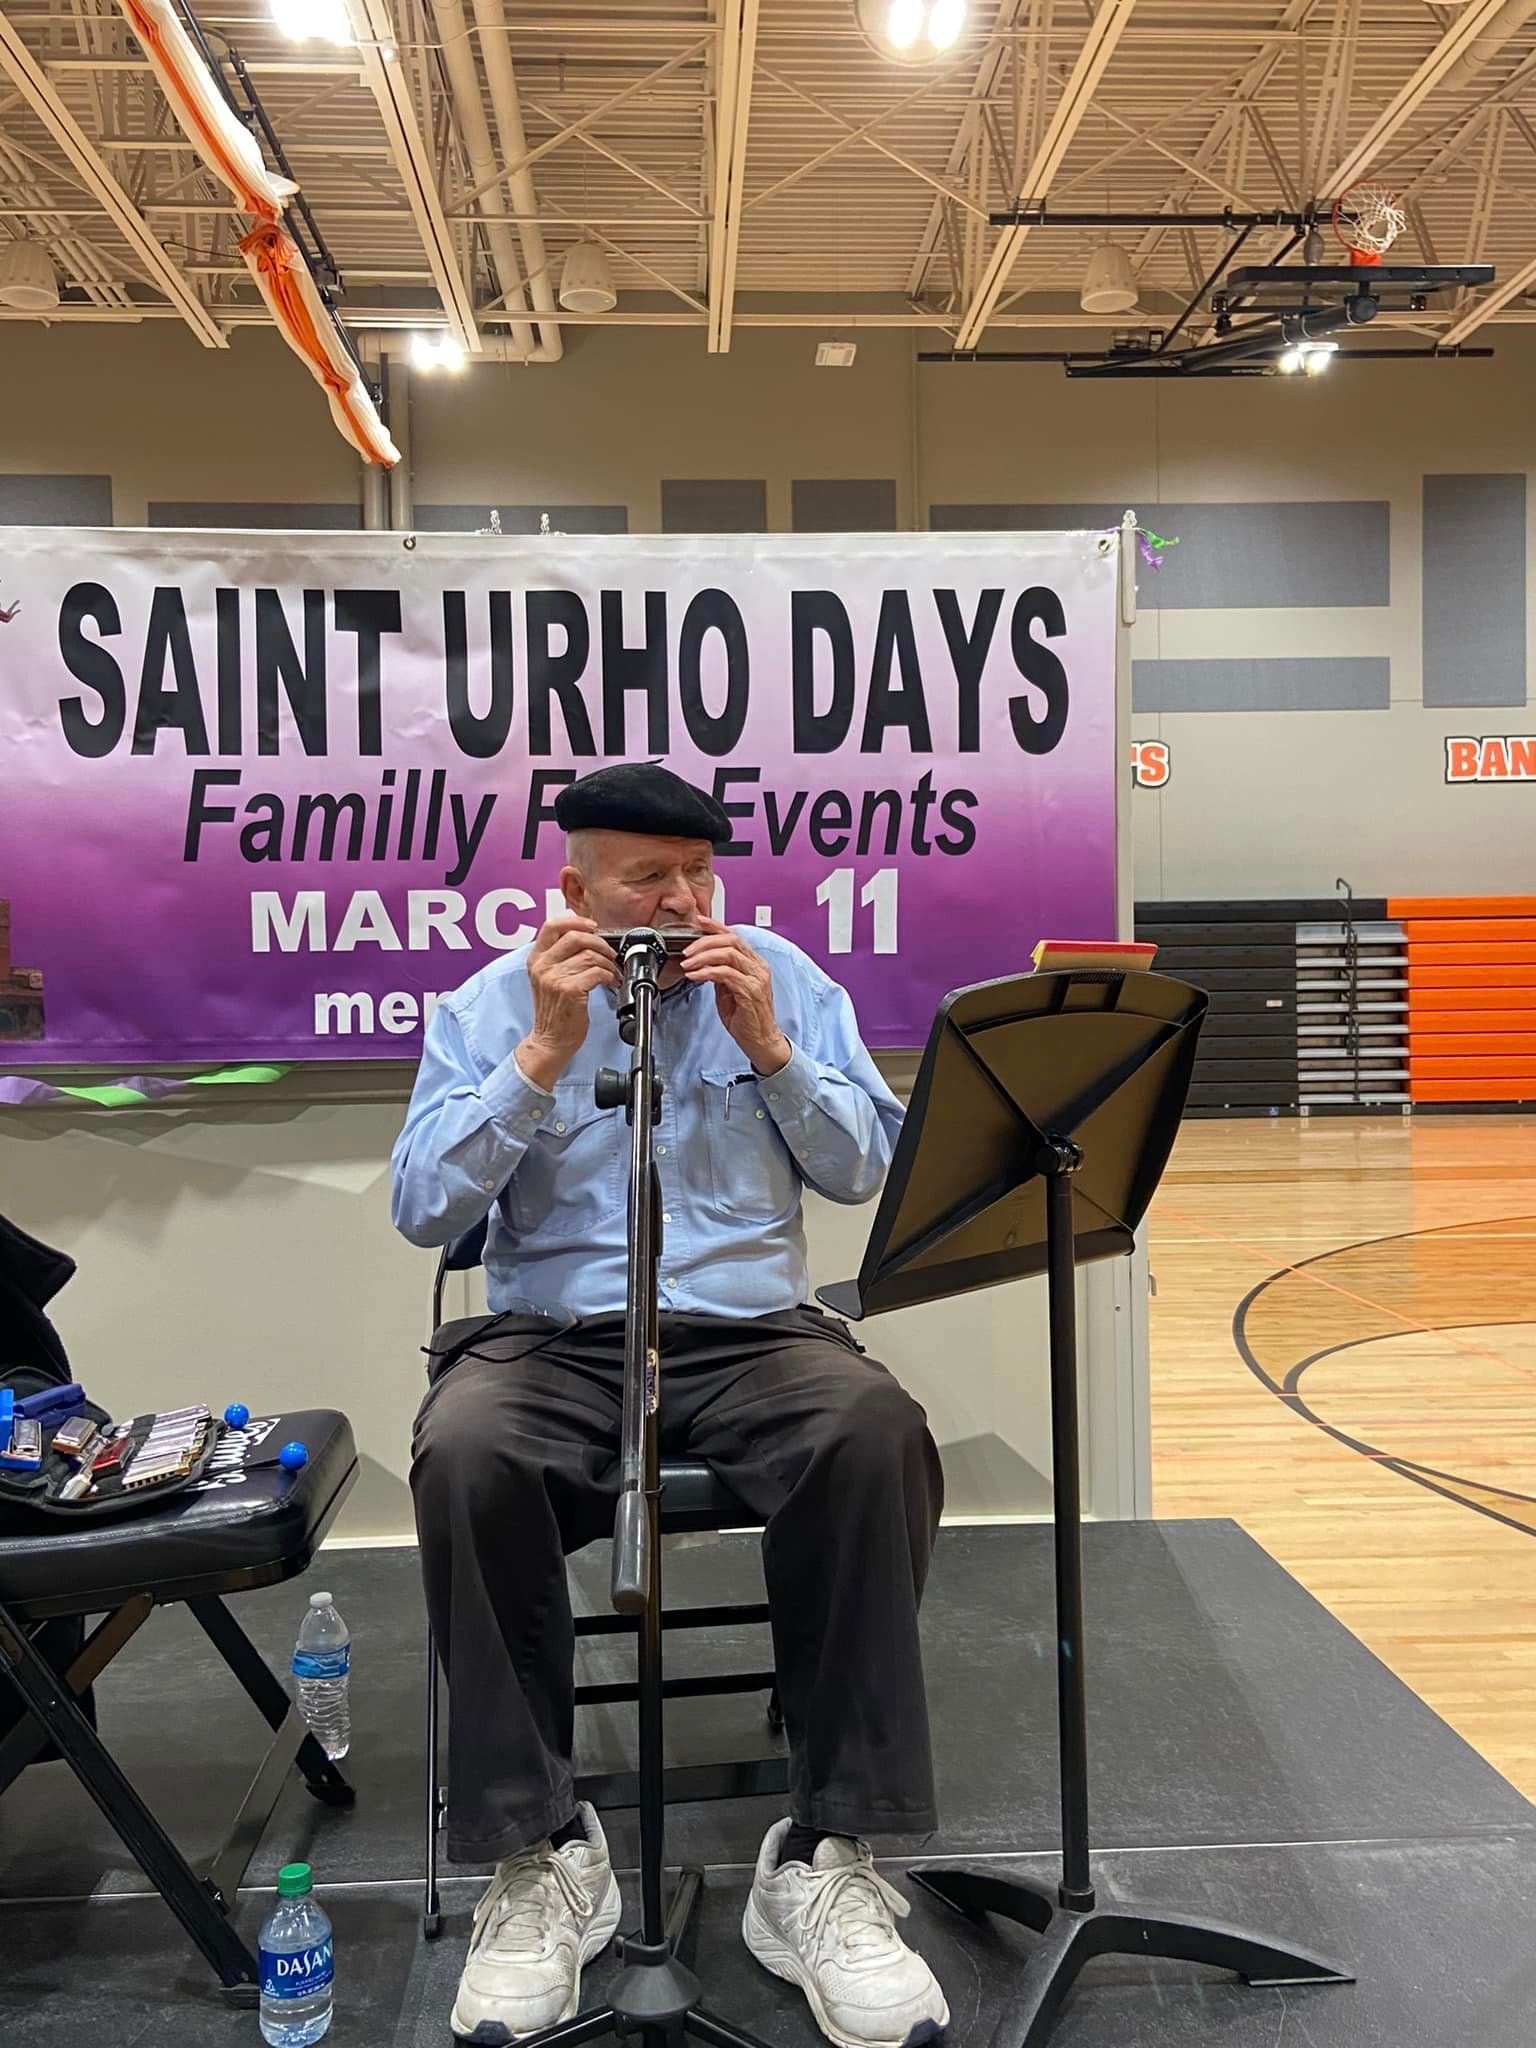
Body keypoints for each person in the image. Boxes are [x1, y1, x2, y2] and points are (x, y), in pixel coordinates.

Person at [392, 763, 948, 2048]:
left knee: (875, 1433)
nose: (684, 901)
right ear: (574, 887)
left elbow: (869, 1166)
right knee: (466, 1451)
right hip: (556, 1335)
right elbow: (425, 1210)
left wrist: (771, 1049)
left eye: (700, 873)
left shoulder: (784, 979)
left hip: (752, 1330)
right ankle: (540, 1856)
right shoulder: (492, 1004)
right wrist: (539, 1054)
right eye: (648, 877)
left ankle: (820, 1852)